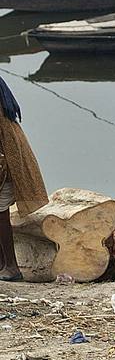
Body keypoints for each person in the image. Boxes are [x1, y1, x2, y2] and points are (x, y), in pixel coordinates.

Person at [0, 77, 48, 281]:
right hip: (9, 162)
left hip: (5, 166)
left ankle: (11, 266)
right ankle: (4, 265)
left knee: (1, 215)